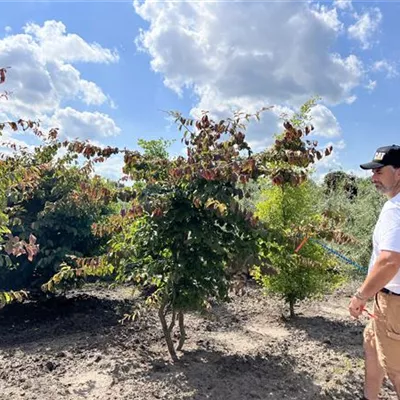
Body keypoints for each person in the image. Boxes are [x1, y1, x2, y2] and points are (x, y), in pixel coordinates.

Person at [348, 144, 400, 400]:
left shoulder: (395, 209)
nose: (373, 177)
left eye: (379, 171)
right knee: (372, 346)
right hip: (385, 302)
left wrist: (360, 296)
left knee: (397, 371)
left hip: (394, 304)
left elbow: (390, 261)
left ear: (399, 173)